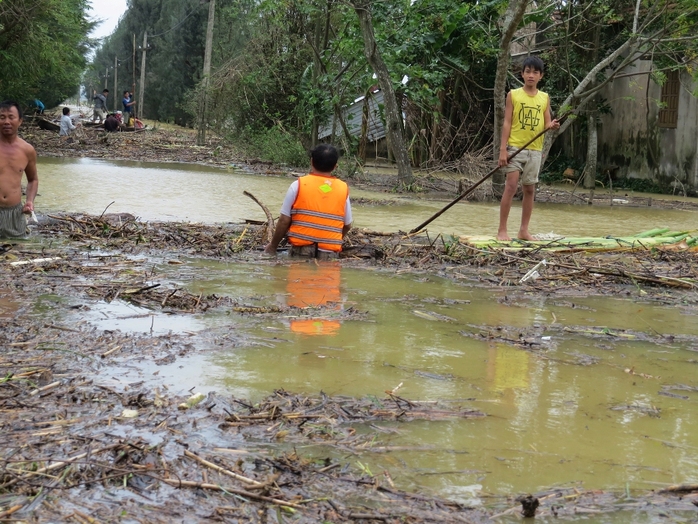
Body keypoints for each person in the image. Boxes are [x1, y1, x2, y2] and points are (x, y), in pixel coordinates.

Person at [497, 56, 560, 241]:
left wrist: (552, 126)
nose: (531, 75)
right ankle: (502, 230)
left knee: (530, 190)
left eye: (535, 72)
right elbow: (507, 123)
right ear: (522, 74)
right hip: (515, 148)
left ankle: (523, 230)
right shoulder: (513, 95)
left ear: (541, 76)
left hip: (535, 150)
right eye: (528, 72)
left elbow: (547, 123)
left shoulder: (544, 98)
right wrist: (503, 150)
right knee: (510, 186)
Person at [264, 144, 352, 259]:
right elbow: (347, 225)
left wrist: (273, 246)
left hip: (301, 251)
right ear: (335, 166)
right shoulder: (343, 188)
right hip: (329, 254)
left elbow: (284, 221)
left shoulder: (297, 185)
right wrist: (331, 241)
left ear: (311, 161)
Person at [0, 101, 38, 238]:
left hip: (15, 213)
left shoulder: (27, 150)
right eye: (2, 117)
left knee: (16, 251)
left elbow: (33, 179)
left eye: (11, 117)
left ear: (20, 121)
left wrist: (29, 201)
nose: (6, 121)